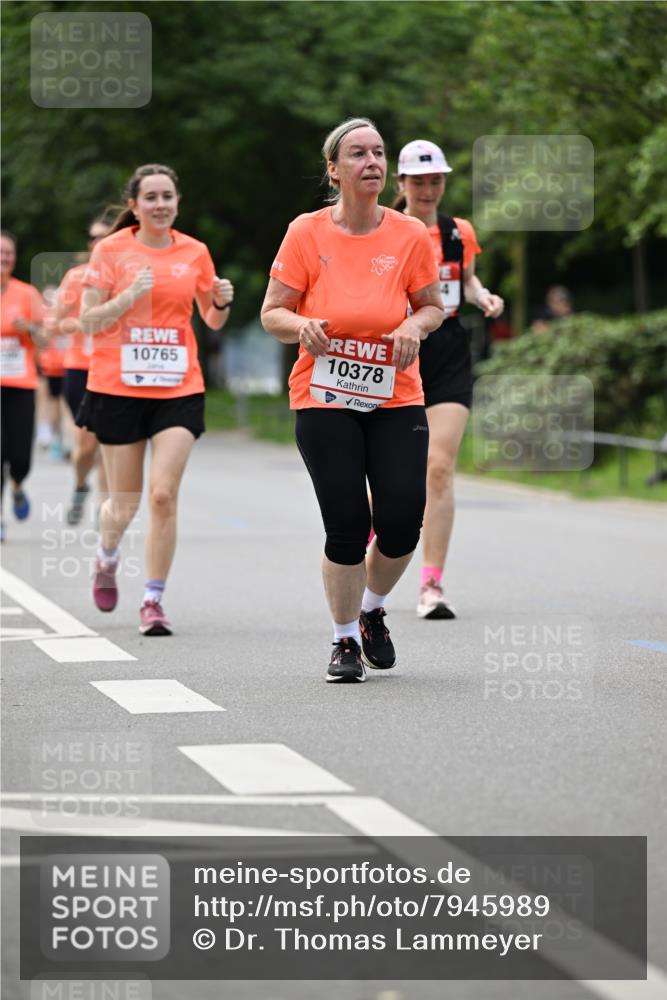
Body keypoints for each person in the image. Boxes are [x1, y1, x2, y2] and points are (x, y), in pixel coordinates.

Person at [261, 118, 444, 683]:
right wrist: (302, 324)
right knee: (345, 522)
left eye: (379, 153)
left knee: (401, 523)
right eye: (358, 154)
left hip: (395, 395)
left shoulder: (410, 234)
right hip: (323, 394)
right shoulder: (306, 232)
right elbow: (272, 312)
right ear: (334, 170)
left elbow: (432, 305)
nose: (372, 162)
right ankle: (343, 642)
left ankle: (370, 612)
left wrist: (415, 326)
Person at [78, 163, 234, 635]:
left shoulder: (195, 251)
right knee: (123, 502)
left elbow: (211, 320)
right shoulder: (111, 251)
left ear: (177, 201)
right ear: (134, 205)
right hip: (117, 387)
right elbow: (87, 320)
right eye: (151, 197)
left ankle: (153, 600)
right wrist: (127, 297)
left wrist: (222, 300)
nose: (161, 204)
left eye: (168, 196)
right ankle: (106, 556)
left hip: (177, 387)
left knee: (163, 495)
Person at [394, 140, 504, 619]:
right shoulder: (384, 230)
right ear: (401, 184)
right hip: (396, 353)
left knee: (438, 467)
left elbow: (466, 278)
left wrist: (483, 296)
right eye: (418, 181)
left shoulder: (458, 231)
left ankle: (431, 584)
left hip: (450, 352)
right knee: (389, 477)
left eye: (435, 180)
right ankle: (379, 540)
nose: (427, 189)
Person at [56, 217, 112, 524]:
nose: (97, 243)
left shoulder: (126, 277)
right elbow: (55, 323)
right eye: (93, 238)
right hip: (80, 369)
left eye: (105, 237)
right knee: (86, 446)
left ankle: (104, 509)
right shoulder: (76, 277)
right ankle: (80, 486)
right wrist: (85, 323)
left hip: (113, 369)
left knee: (109, 442)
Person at [0, 230, 45, 542]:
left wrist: (29, 328)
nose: (4, 258)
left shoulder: (27, 294)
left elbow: (46, 338)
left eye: (9, 253)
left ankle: (18, 485)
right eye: (0, 253)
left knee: (20, 457)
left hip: (21, 385)